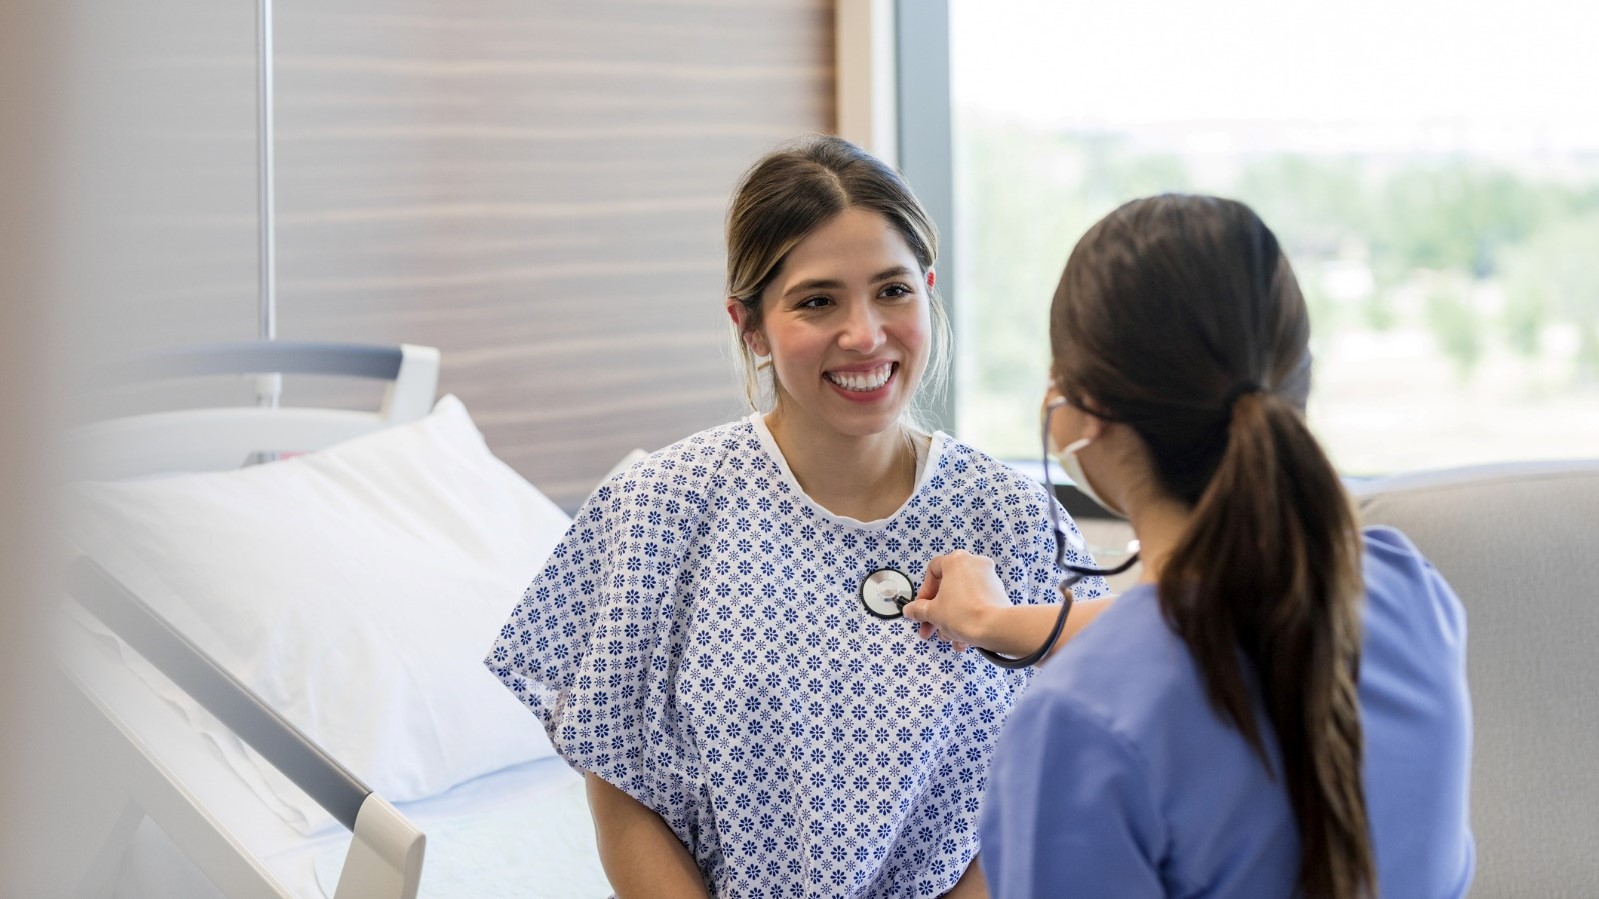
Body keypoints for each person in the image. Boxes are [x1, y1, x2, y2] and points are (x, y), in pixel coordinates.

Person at [485, 135, 1108, 899]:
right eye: (817, 301)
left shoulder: (1010, 516)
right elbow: (619, 786)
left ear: (928, 290)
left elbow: (1059, 773)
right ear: (750, 326)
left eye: (892, 290)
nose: (864, 334)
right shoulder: (660, 508)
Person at [903, 195, 1474, 898]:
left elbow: (1161, 658)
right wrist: (995, 621)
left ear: (1078, 416)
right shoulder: (1407, 592)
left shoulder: (1076, 722)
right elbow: (1207, 627)